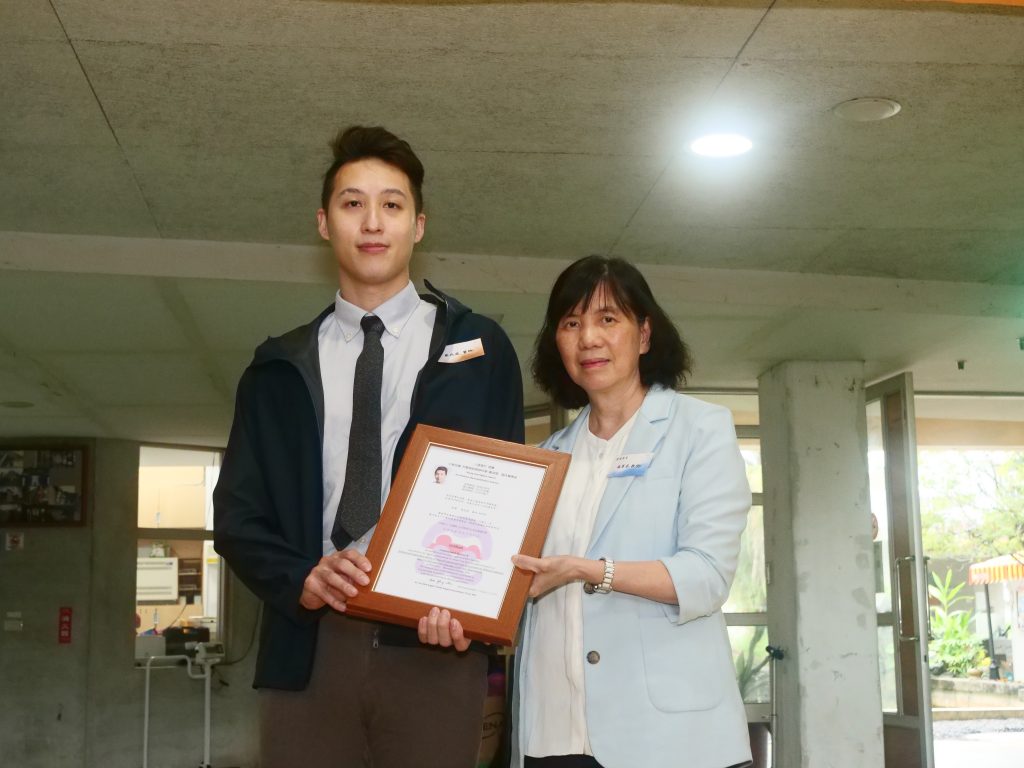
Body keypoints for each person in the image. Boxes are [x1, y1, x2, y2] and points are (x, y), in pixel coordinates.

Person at [213, 125, 524, 768]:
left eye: (392, 204)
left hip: (434, 648)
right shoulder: (276, 370)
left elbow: (507, 499)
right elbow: (237, 518)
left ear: (418, 225)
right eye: (353, 203)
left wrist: (470, 600)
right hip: (308, 648)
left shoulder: (478, 351)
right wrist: (300, 577)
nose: (373, 222)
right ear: (324, 223)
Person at [510, 256, 753, 768]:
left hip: (667, 737)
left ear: (644, 334)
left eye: (607, 319)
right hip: (554, 731)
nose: (588, 339)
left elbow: (707, 575)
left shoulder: (699, 429)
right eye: (571, 323)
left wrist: (589, 570)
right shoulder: (546, 457)